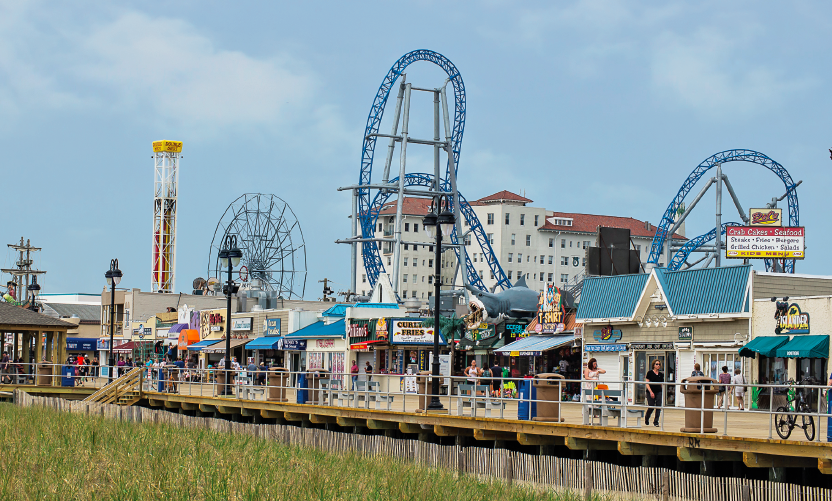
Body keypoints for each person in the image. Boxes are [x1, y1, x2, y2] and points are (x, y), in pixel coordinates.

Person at [582, 358, 606, 424]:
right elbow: (586, 377)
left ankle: (595, 412)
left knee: (596, 398)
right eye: (594, 364)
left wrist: (599, 371)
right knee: (589, 397)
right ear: (591, 364)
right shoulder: (587, 369)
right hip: (589, 385)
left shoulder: (597, 369)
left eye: (595, 364)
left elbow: (604, 371)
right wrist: (592, 379)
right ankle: (587, 411)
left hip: (596, 386)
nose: (595, 365)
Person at [645, 360, 664, 427]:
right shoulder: (650, 373)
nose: (658, 365)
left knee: (658, 406)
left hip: (658, 391)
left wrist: (662, 392)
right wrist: (650, 392)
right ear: (653, 365)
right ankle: (647, 418)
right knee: (651, 406)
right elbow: (647, 383)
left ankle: (656, 421)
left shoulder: (661, 374)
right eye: (656, 364)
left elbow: (661, 384)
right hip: (650, 391)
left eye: (659, 364)